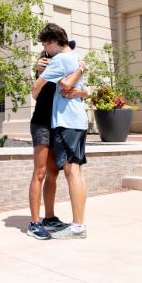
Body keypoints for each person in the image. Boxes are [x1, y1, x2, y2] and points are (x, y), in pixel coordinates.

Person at [32, 23, 88, 240]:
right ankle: (53, 220)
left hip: (65, 122)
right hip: (71, 122)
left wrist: (45, 75)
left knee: (71, 172)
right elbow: (73, 87)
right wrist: (80, 70)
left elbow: (40, 89)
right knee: (65, 172)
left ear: (54, 42)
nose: (46, 49)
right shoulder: (75, 59)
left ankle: (77, 227)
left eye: (47, 43)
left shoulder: (59, 60)